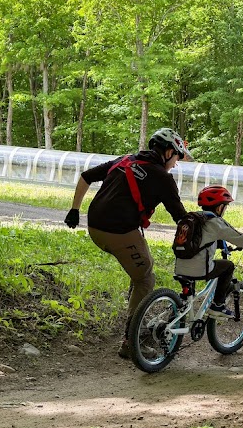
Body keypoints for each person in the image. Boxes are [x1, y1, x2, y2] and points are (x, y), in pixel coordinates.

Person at [65, 128, 190, 358]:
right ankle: (132, 341)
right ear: (169, 152)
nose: (175, 164)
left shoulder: (125, 161)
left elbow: (86, 176)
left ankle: (134, 317)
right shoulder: (162, 177)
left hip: (95, 227)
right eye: (176, 158)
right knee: (146, 278)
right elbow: (180, 216)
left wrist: (74, 210)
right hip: (119, 231)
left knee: (143, 267)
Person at [174, 185, 243, 315]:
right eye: (225, 206)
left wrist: (220, 244)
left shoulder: (191, 218)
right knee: (228, 266)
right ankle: (218, 306)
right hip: (200, 270)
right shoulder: (215, 222)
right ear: (220, 207)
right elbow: (240, 238)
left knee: (186, 299)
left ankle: (179, 314)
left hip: (180, 266)